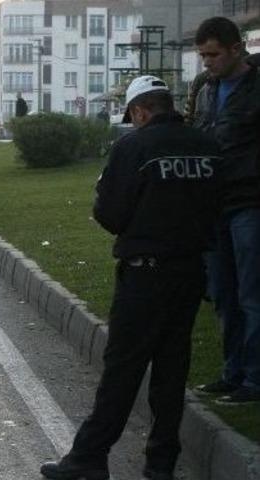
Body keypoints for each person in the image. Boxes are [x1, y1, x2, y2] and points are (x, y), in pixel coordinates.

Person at [40, 76, 221, 480]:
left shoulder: (133, 147)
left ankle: (89, 457)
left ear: (140, 111)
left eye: (133, 116)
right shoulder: (208, 147)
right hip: (190, 273)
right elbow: (219, 205)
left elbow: (111, 213)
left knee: (123, 369)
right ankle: (160, 466)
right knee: (172, 373)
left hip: (145, 276)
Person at [192, 17, 260, 405]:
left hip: (249, 204)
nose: (207, 62)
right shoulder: (205, 88)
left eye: (213, 54)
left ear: (237, 48)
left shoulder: (256, 87)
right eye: (202, 55)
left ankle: (254, 379)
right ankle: (231, 372)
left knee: (252, 295)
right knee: (223, 294)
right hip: (214, 205)